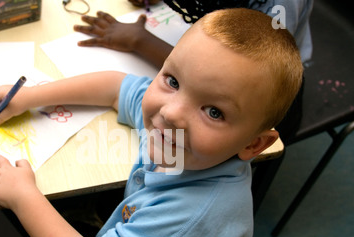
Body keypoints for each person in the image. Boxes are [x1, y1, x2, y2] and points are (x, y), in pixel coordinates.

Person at [0, 8, 303, 237]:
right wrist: (30, 97)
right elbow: (117, 88)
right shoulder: (182, 135)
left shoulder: (189, 214)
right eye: (172, 80)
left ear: (253, 145)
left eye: (213, 112)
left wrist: (23, 196)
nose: (171, 112)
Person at [74, 0, 314, 144]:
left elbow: (255, 68)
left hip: (268, 96)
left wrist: (140, 41)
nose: (171, 114)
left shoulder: (279, 5)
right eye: (173, 82)